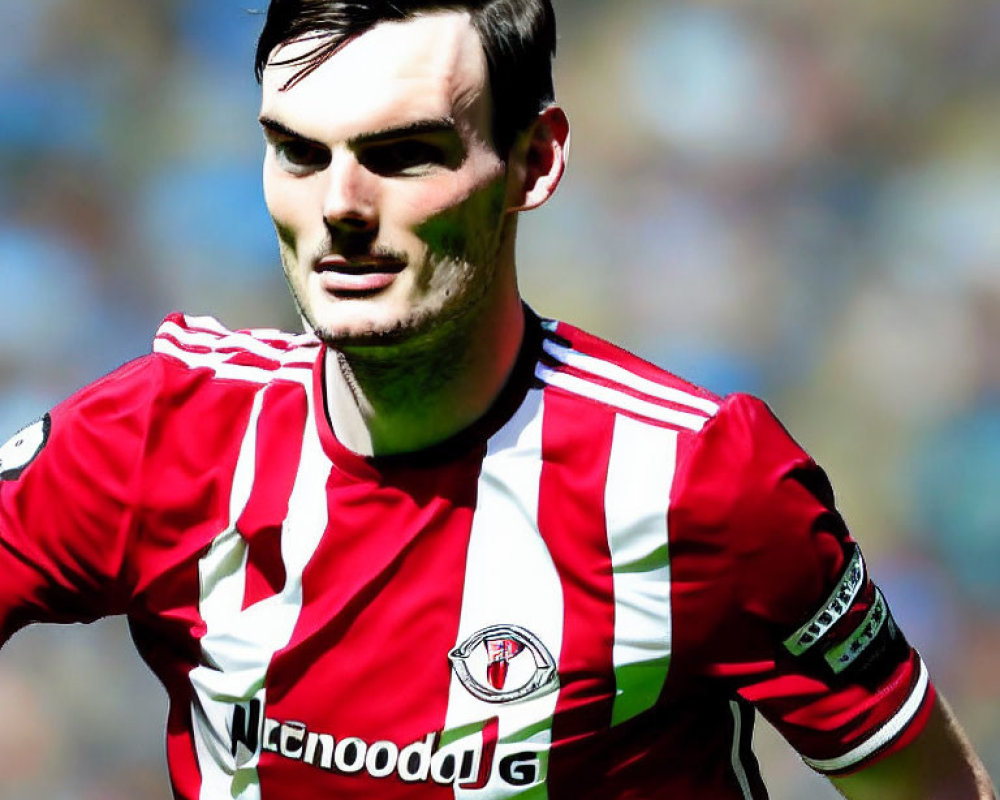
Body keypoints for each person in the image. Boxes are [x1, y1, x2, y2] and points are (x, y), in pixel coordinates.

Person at [0, 0, 994, 797]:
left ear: (535, 159)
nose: (340, 205)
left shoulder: (697, 481)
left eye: (403, 154)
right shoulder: (154, 436)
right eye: (299, 151)